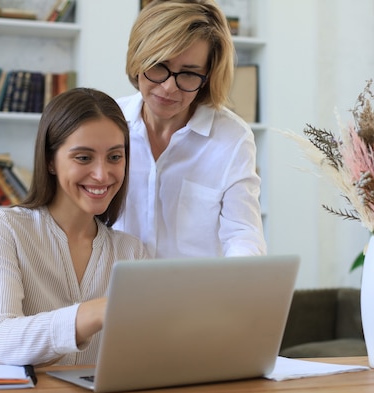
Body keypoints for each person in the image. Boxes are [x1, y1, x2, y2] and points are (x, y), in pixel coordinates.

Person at [0, 88, 148, 366]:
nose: (102, 174)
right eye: (83, 157)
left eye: (115, 157)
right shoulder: (4, 228)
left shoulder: (132, 252)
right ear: (51, 161)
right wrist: (95, 312)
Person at [113, 0, 267, 258]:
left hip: (197, 295)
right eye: (159, 66)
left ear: (207, 78)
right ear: (138, 60)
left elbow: (242, 234)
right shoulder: (107, 123)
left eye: (189, 74)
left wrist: (242, 279)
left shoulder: (232, 138)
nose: (168, 88)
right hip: (112, 293)